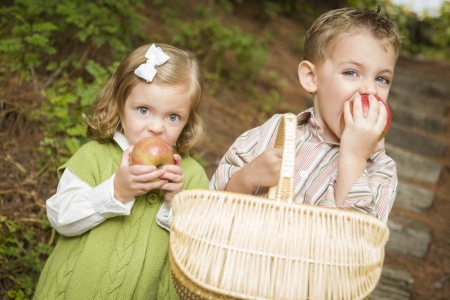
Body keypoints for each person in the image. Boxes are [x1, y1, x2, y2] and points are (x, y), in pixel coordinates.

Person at [34, 43, 209, 299]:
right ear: (119, 106)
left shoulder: (190, 176)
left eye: (173, 117)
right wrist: (115, 192)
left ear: (187, 120)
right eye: (143, 110)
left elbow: (201, 249)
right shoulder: (94, 156)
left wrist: (177, 204)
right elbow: (61, 217)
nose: (157, 128)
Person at [209, 7, 401, 224]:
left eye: (382, 79)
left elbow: (356, 244)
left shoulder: (381, 169)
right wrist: (247, 178)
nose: (370, 90)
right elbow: (210, 204)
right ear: (311, 77)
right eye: (351, 72)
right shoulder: (275, 131)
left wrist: (355, 157)